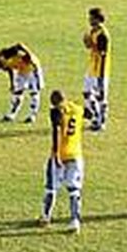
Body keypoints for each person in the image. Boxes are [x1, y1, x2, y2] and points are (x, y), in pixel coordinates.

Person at [39, 90, 90, 233]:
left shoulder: (56, 112)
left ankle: (45, 216)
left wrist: (55, 154)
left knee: (51, 187)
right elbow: (90, 114)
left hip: (60, 154)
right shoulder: (77, 108)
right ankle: (75, 220)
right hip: (76, 154)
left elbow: (55, 133)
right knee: (74, 189)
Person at [0, 42, 44, 123]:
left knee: (34, 93)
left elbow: (19, 45)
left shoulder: (3, 54)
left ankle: (32, 115)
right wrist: (12, 83)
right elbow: (10, 70)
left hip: (32, 68)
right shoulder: (2, 65)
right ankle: (11, 115)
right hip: (21, 71)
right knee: (17, 93)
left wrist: (29, 55)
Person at [82, 7, 111, 131]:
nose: (89, 19)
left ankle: (101, 122)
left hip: (100, 70)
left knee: (101, 97)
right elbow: (90, 47)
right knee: (86, 93)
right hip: (92, 68)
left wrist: (90, 43)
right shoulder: (93, 31)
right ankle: (95, 116)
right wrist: (87, 42)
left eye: (91, 18)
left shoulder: (102, 35)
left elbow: (102, 52)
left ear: (98, 19)